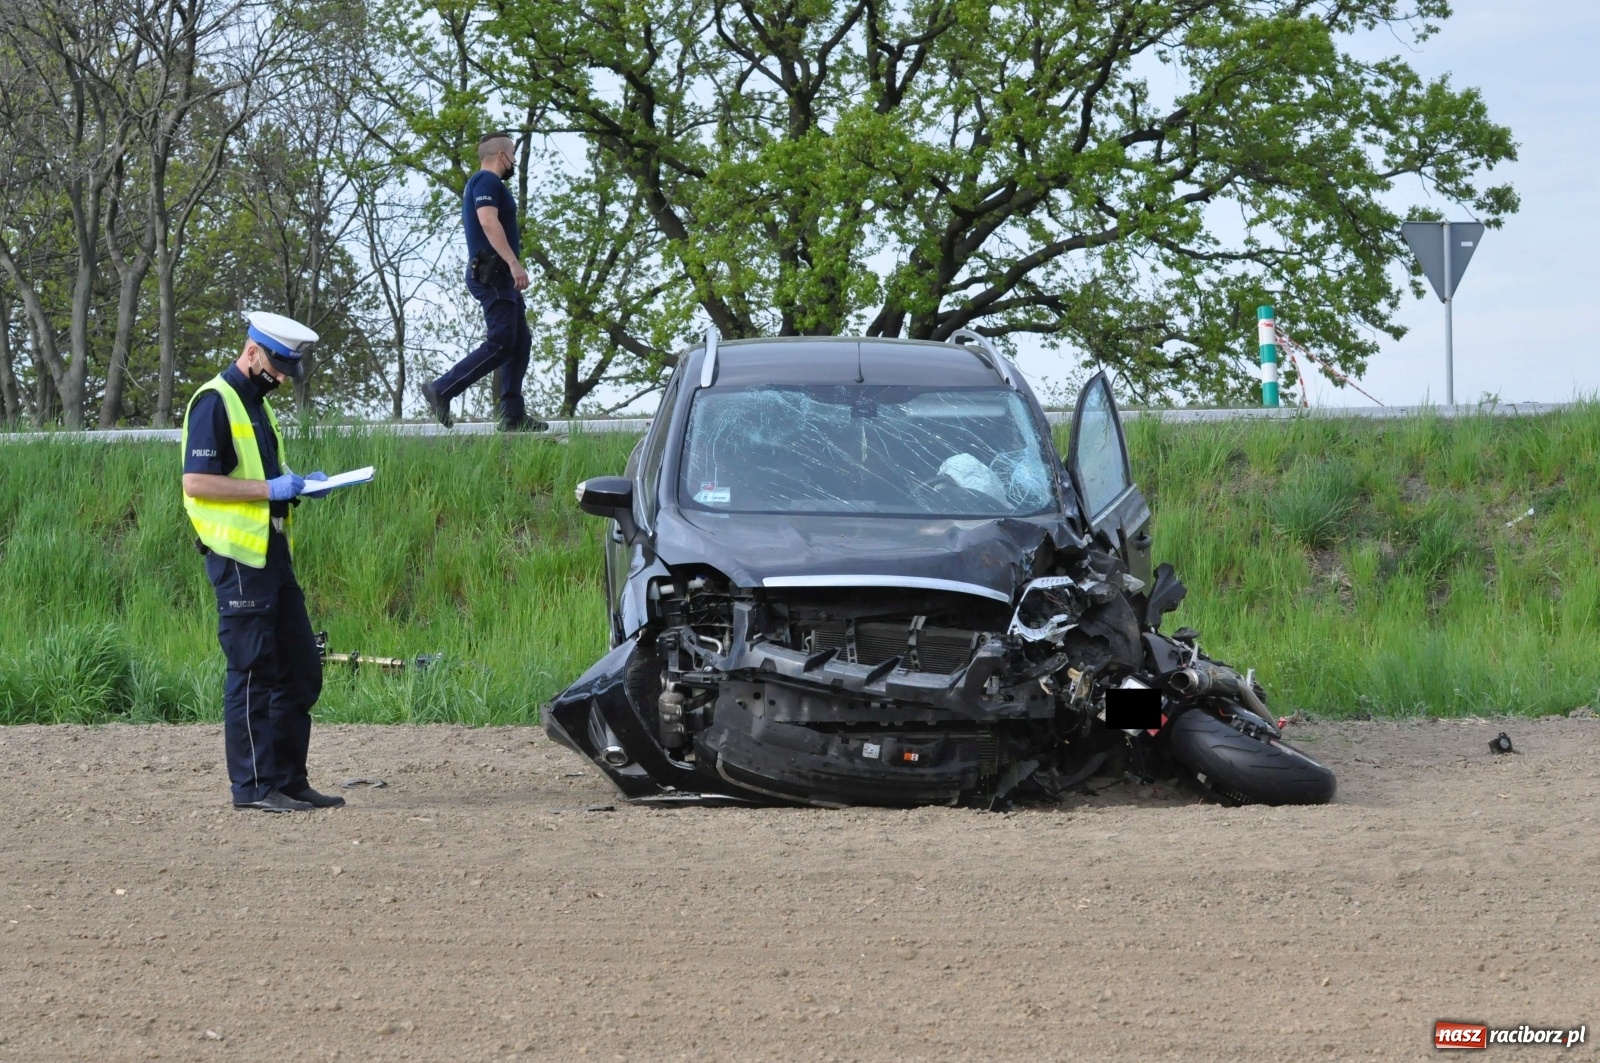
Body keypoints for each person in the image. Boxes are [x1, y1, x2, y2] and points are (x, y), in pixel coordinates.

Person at [180, 311, 343, 813]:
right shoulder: (215, 400)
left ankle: (288, 781)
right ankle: (253, 788)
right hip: (237, 559)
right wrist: (269, 489)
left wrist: (298, 484)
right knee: (253, 671)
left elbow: (264, 473)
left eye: (287, 371)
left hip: (271, 553)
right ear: (252, 352)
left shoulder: (258, 406)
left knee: (300, 668)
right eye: (276, 368)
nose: (281, 379)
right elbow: (197, 482)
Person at [420, 130, 546, 432]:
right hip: (494, 275)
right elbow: (488, 221)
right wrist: (513, 263)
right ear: (502, 155)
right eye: (512, 154)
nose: (514, 160)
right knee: (501, 342)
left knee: (520, 342)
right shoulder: (487, 181)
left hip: (501, 277)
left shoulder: (482, 183)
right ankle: (442, 389)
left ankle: (512, 414)